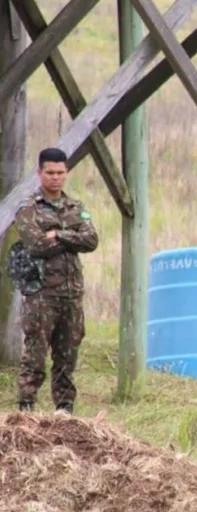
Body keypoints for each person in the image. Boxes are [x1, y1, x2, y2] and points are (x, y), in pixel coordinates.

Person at [13, 147, 98, 413]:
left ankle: (64, 409)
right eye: (50, 173)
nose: (56, 178)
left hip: (71, 295)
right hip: (41, 295)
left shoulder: (76, 207)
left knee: (67, 354)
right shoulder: (29, 209)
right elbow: (36, 245)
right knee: (35, 355)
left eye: (61, 173)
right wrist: (70, 237)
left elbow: (91, 240)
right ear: (40, 173)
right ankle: (26, 407)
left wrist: (58, 235)